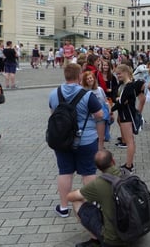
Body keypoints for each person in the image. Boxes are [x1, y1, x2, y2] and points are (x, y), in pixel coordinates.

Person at [48, 63, 104, 218]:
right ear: (80, 76)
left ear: (65, 75)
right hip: (86, 140)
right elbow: (99, 114)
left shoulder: (54, 93)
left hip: (62, 140)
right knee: (88, 172)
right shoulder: (87, 95)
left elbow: (53, 113)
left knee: (65, 172)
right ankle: (91, 204)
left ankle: (64, 207)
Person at [67, 149, 128, 247]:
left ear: (98, 168)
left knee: (76, 202)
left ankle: (95, 240)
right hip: (134, 229)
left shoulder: (99, 184)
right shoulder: (126, 174)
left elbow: (70, 197)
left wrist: (84, 193)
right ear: (113, 161)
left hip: (113, 240)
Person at [111, 64, 138, 172]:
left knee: (129, 141)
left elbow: (121, 102)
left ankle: (129, 165)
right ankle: (129, 163)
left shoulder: (129, 86)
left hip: (127, 116)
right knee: (130, 140)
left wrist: (111, 110)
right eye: (117, 74)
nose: (118, 76)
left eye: (119, 74)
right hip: (125, 115)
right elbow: (119, 100)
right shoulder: (125, 85)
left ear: (126, 72)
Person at [82, 71, 109, 144]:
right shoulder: (84, 91)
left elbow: (105, 101)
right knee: (94, 134)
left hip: (101, 115)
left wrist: (109, 111)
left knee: (101, 134)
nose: (90, 80)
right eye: (87, 79)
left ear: (94, 79)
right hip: (90, 116)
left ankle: (100, 147)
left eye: (91, 78)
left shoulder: (100, 89)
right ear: (85, 81)